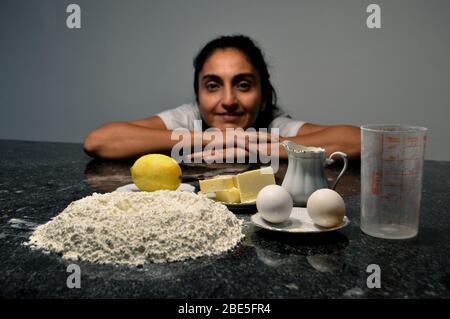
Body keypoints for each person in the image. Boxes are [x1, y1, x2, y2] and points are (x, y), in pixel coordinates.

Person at [84, 35, 360, 161]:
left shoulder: (273, 125)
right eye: (213, 86)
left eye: (243, 84)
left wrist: (263, 147)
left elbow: (360, 141)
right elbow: (100, 141)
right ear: (198, 96)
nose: (228, 100)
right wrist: (216, 138)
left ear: (263, 97)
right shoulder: (189, 117)